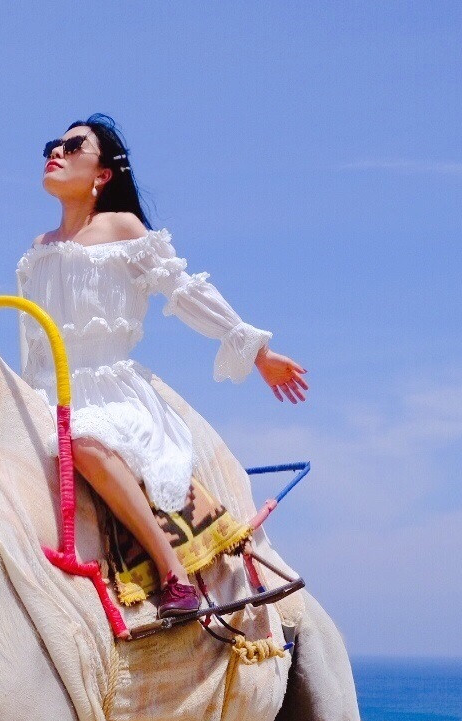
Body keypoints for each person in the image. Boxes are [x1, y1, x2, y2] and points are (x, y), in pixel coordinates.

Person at [17, 115, 308, 619]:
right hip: (47, 390)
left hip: (107, 391)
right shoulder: (37, 249)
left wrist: (255, 349)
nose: (55, 151)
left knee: (83, 443)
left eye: (72, 145)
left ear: (102, 174)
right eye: (52, 144)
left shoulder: (123, 229)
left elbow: (186, 292)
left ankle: (174, 576)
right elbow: (33, 339)